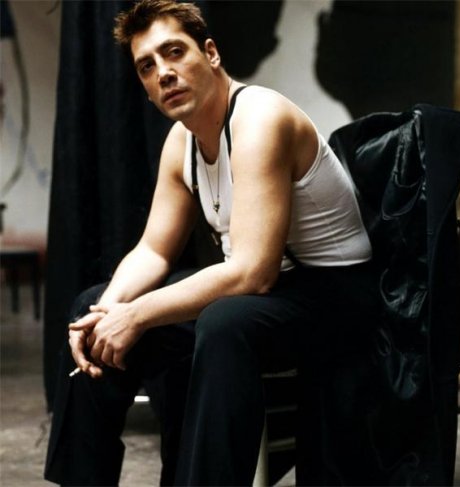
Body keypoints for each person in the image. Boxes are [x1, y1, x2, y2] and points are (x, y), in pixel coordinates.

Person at [44, 0, 377, 485]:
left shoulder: (260, 118)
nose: (164, 73)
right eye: (146, 66)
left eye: (174, 52)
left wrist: (136, 315)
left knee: (222, 321)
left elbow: (252, 273)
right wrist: (108, 312)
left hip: (337, 297)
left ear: (211, 54)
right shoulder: (180, 143)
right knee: (89, 307)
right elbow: (154, 251)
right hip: (270, 295)